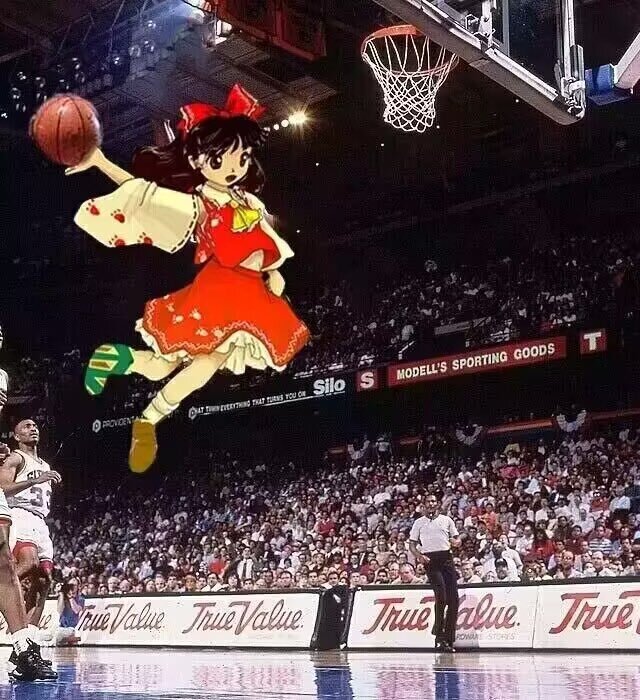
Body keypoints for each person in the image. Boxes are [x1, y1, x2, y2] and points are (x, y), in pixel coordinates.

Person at [67, 84, 310, 472]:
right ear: (197, 160)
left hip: (250, 294)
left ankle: (116, 360)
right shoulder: (198, 205)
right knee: (201, 364)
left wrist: (274, 275)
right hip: (218, 290)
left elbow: (267, 249)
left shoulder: (251, 202)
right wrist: (101, 162)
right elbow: (141, 194)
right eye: (221, 159)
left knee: (166, 366)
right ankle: (147, 421)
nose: (234, 167)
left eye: (242, 157)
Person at [0, 420, 61, 645]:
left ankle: (28, 639)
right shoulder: (15, 458)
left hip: (41, 522)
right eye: (26, 426)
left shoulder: (45, 464)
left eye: (34, 426)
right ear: (16, 436)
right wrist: (35, 480)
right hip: (20, 514)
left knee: (44, 579)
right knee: (29, 563)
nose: (33, 428)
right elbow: (2, 489)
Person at [409, 495, 461, 652]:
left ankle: (449, 639)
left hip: (446, 558)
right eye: (428, 501)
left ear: (437, 504)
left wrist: (456, 542)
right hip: (430, 561)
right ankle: (439, 636)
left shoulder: (447, 520)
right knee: (441, 597)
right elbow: (412, 545)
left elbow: (457, 539)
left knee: (454, 599)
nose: (431, 504)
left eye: (433, 501)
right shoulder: (419, 523)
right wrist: (419, 556)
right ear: (424, 505)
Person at [57, 578, 84, 646]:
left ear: (78, 587)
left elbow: (76, 610)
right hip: (61, 627)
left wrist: (71, 597)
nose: (72, 587)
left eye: (74, 585)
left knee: (56, 635)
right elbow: (59, 610)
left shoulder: (80, 599)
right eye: (70, 585)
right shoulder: (63, 598)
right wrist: (61, 594)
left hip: (73, 628)